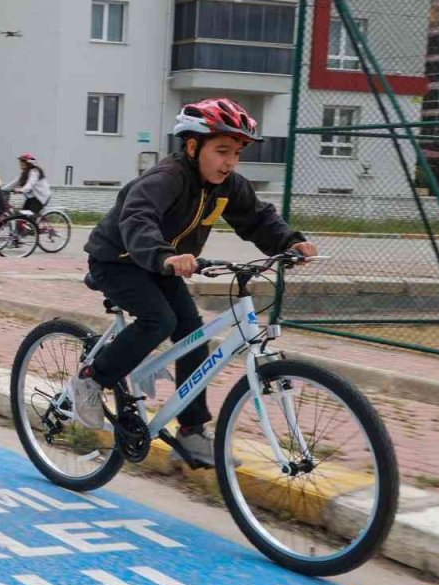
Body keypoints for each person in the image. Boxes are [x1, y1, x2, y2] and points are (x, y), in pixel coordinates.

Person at [72, 98, 318, 467]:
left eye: (236, 153)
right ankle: (91, 379)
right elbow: (138, 218)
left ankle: (191, 431)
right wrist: (165, 255)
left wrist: (289, 242)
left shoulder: (227, 185)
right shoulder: (166, 178)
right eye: (221, 151)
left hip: (161, 265)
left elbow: (257, 217)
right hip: (119, 260)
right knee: (160, 320)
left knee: (192, 333)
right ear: (192, 146)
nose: (229, 162)